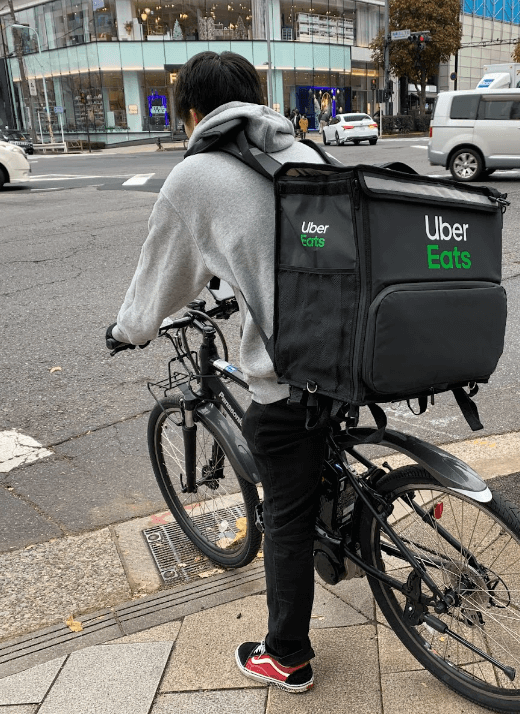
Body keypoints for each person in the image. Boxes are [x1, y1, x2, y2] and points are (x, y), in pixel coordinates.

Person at [105, 50, 326, 694]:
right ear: (254, 99)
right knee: (315, 459)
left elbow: (159, 283)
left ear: (194, 113)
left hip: (290, 375)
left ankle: (287, 655)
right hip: (353, 351)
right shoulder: (302, 152)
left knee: (284, 510)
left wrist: (127, 333)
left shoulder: (197, 174)